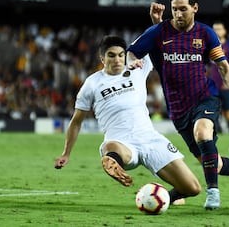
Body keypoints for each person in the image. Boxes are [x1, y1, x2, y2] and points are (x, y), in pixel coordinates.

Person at [126, 0, 229, 210]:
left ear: (195, 8)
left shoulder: (205, 33)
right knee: (214, 164)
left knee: (202, 132)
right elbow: (133, 50)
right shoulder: (159, 31)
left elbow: (223, 66)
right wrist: (133, 60)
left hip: (205, 97)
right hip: (178, 110)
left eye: (183, 9)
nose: (178, 14)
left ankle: (213, 193)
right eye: (174, 9)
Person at [54, 35, 201, 206]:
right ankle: (112, 162)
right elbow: (76, 121)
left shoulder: (137, 67)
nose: (117, 59)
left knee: (193, 188)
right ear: (102, 58)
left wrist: (155, 21)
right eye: (111, 55)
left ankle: (163, 197)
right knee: (110, 147)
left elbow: (157, 39)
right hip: (122, 143)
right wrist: (66, 153)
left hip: (150, 139)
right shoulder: (92, 84)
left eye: (120, 55)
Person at [209, 21, 229, 152]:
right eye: (214, 29)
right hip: (212, 86)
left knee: (228, 113)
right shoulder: (209, 46)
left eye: (219, 29)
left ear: (224, 31)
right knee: (211, 113)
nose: (216, 31)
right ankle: (210, 144)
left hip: (225, 86)